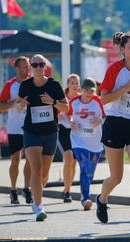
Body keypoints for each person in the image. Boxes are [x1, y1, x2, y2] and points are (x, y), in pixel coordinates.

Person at [95, 31, 130, 235]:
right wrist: (125, 88)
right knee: (116, 177)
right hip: (115, 124)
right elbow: (102, 99)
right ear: (122, 49)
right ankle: (101, 199)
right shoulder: (115, 70)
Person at [17, 54, 68, 221]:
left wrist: (52, 102)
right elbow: (18, 106)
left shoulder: (54, 85)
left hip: (50, 132)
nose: (38, 67)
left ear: (45, 66)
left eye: (41, 64)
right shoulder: (25, 85)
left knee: (44, 174)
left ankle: (35, 192)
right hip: (31, 131)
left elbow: (66, 108)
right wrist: (20, 105)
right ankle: (39, 207)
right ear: (30, 67)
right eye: (35, 64)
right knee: (36, 168)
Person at [0, 56, 32, 205]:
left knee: (30, 159)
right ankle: (13, 190)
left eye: (28, 66)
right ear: (16, 68)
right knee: (15, 160)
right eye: (24, 67)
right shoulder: (10, 85)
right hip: (14, 127)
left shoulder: (33, 82)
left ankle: (27, 188)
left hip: (30, 126)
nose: (27, 69)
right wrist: (15, 102)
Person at [69, 77, 105, 210]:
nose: (89, 93)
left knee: (90, 171)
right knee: (84, 166)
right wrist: (71, 123)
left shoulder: (98, 102)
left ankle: (85, 190)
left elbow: (106, 116)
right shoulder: (74, 102)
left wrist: (99, 121)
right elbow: (67, 114)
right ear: (81, 90)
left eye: (92, 90)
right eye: (86, 90)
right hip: (78, 140)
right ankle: (86, 197)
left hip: (95, 142)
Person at [58, 74, 80, 202]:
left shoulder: (81, 99)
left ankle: (68, 189)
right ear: (68, 84)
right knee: (68, 157)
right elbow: (55, 109)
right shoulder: (62, 98)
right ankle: (67, 190)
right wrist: (59, 116)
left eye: (77, 83)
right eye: (72, 83)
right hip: (63, 129)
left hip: (76, 132)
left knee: (74, 163)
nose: (75, 85)